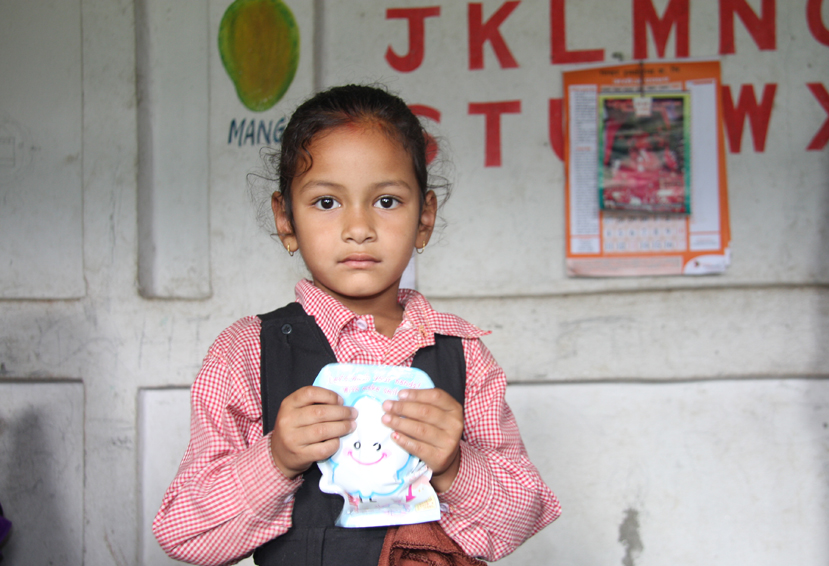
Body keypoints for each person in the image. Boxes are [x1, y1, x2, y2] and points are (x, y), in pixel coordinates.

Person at [152, 84, 560, 566]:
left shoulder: (462, 353)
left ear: (424, 216)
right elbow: (184, 534)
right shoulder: (247, 353)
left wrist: (455, 466)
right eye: (327, 203)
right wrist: (277, 458)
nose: (359, 227)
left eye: (387, 201)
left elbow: (523, 516)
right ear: (286, 219)